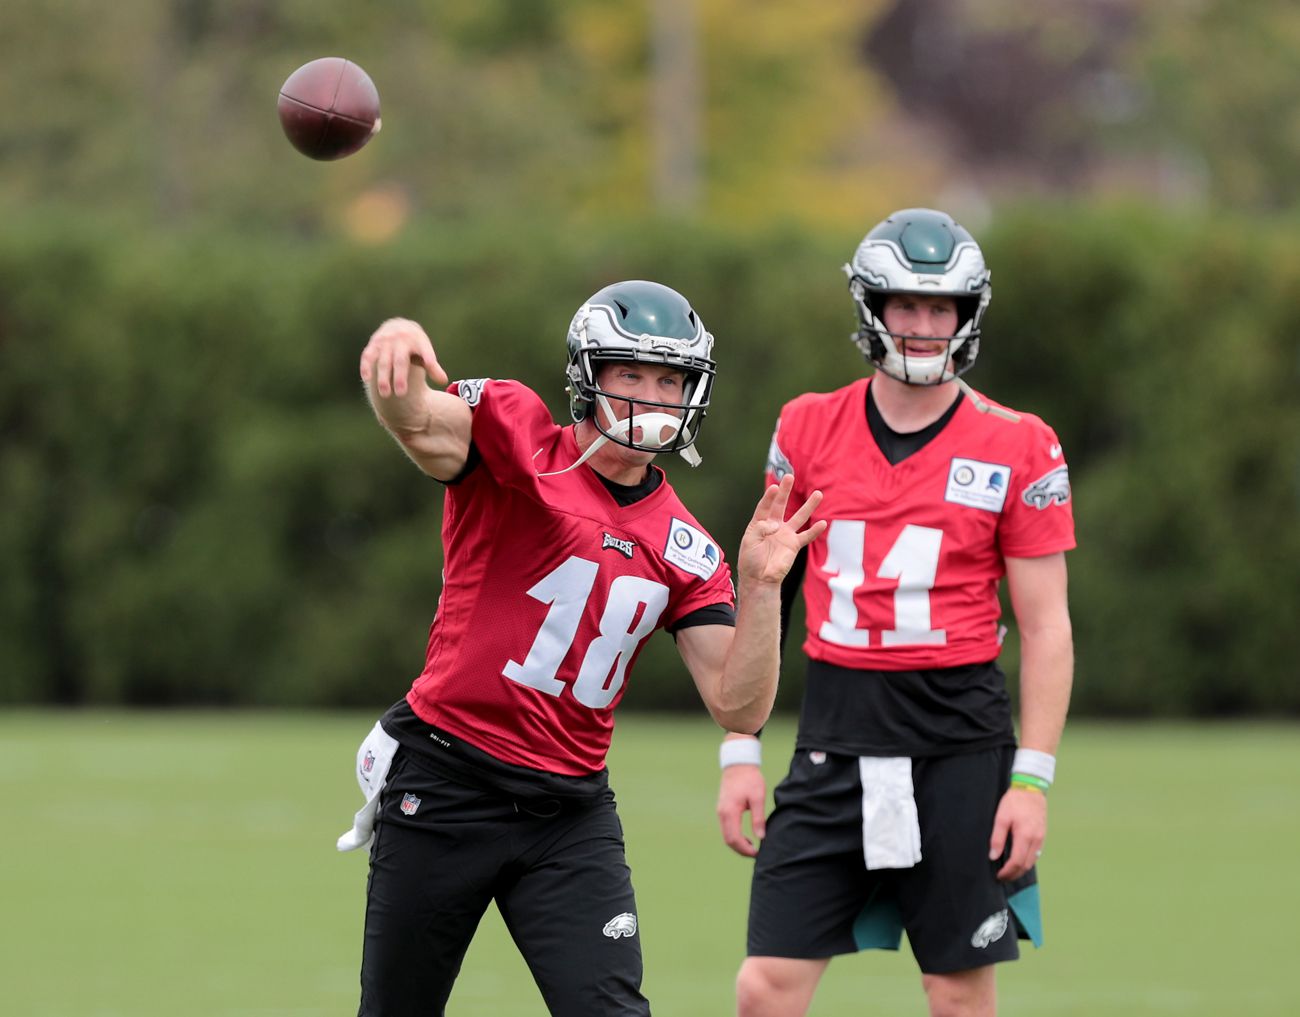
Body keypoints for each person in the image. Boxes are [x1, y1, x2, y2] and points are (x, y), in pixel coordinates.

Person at [336, 279, 825, 1017]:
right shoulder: (517, 435)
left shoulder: (686, 545)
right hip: (446, 778)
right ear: (589, 375)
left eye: (670, 379)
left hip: (567, 810)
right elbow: (418, 422)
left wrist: (761, 591)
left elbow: (739, 703)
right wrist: (397, 356)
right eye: (631, 373)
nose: (650, 396)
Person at [716, 209, 1075, 1017]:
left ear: (966, 316)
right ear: (871, 309)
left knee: (955, 993)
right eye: (903, 305)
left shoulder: (1019, 443)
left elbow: (1048, 626)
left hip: (959, 741)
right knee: (764, 988)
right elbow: (769, 589)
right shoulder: (807, 424)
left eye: (939, 307)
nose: (920, 325)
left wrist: (1033, 781)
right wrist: (740, 748)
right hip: (835, 735)